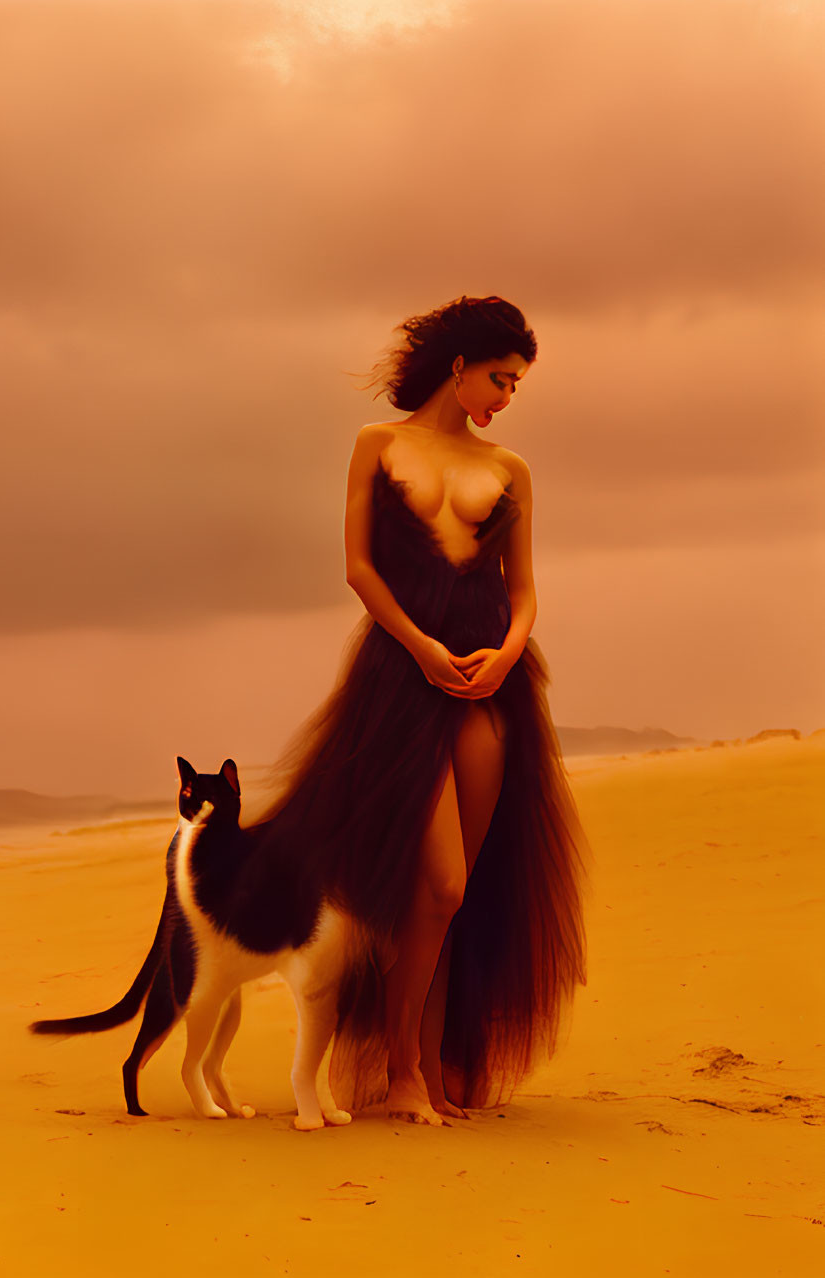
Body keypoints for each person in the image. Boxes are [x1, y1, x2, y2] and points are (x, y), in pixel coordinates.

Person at [248, 295, 586, 1125]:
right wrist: (420, 648)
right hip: (401, 679)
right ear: (458, 365)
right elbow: (359, 570)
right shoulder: (378, 445)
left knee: (452, 896)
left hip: (487, 681)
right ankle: (399, 1069)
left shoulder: (510, 469)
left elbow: (525, 589)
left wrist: (504, 655)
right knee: (435, 881)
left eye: (515, 385)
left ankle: (427, 1070)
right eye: (500, 379)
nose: (507, 397)